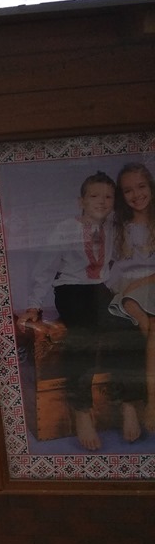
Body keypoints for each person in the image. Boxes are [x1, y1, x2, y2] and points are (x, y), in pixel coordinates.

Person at [20, 170, 141, 450]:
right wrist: (34, 305)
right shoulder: (65, 228)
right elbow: (45, 269)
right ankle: (82, 410)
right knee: (84, 334)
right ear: (81, 201)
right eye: (94, 196)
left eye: (108, 196)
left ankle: (129, 404)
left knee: (128, 328)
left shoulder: (114, 227)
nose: (102, 201)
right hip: (72, 289)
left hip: (102, 289)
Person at [107, 162, 155, 430]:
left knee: (153, 328)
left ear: (151, 187)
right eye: (128, 191)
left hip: (149, 285)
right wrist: (125, 290)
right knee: (144, 325)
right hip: (129, 289)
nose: (137, 194)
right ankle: (145, 402)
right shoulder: (120, 225)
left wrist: (138, 286)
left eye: (141, 186)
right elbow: (115, 269)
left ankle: (151, 404)